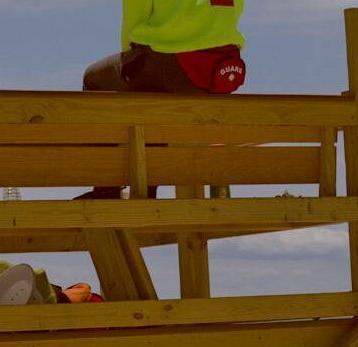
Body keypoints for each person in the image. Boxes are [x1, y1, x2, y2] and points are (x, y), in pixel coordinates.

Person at [80, 0, 248, 199]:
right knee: (151, 100)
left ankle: (106, 190)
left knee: (95, 80)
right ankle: (148, 189)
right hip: (221, 67)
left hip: (172, 63)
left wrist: (129, 62)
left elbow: (134, 18)